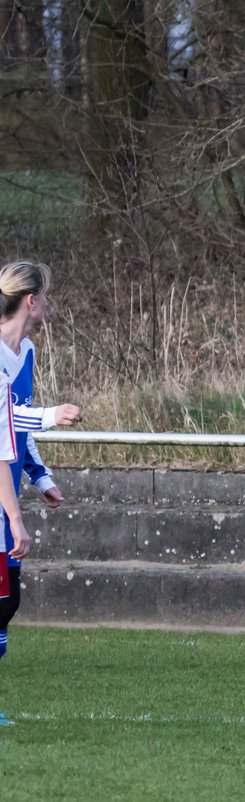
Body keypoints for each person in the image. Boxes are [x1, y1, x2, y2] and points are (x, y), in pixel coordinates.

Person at [0, 261, 81, 727]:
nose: (48, 304)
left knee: (6, 601)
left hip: (7, 490)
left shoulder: (25, 352)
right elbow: (4, 422)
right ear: (31, 301)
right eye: (46, 296)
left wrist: (41, 478)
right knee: (2, 601)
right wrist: (53, 415)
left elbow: (18, 425)